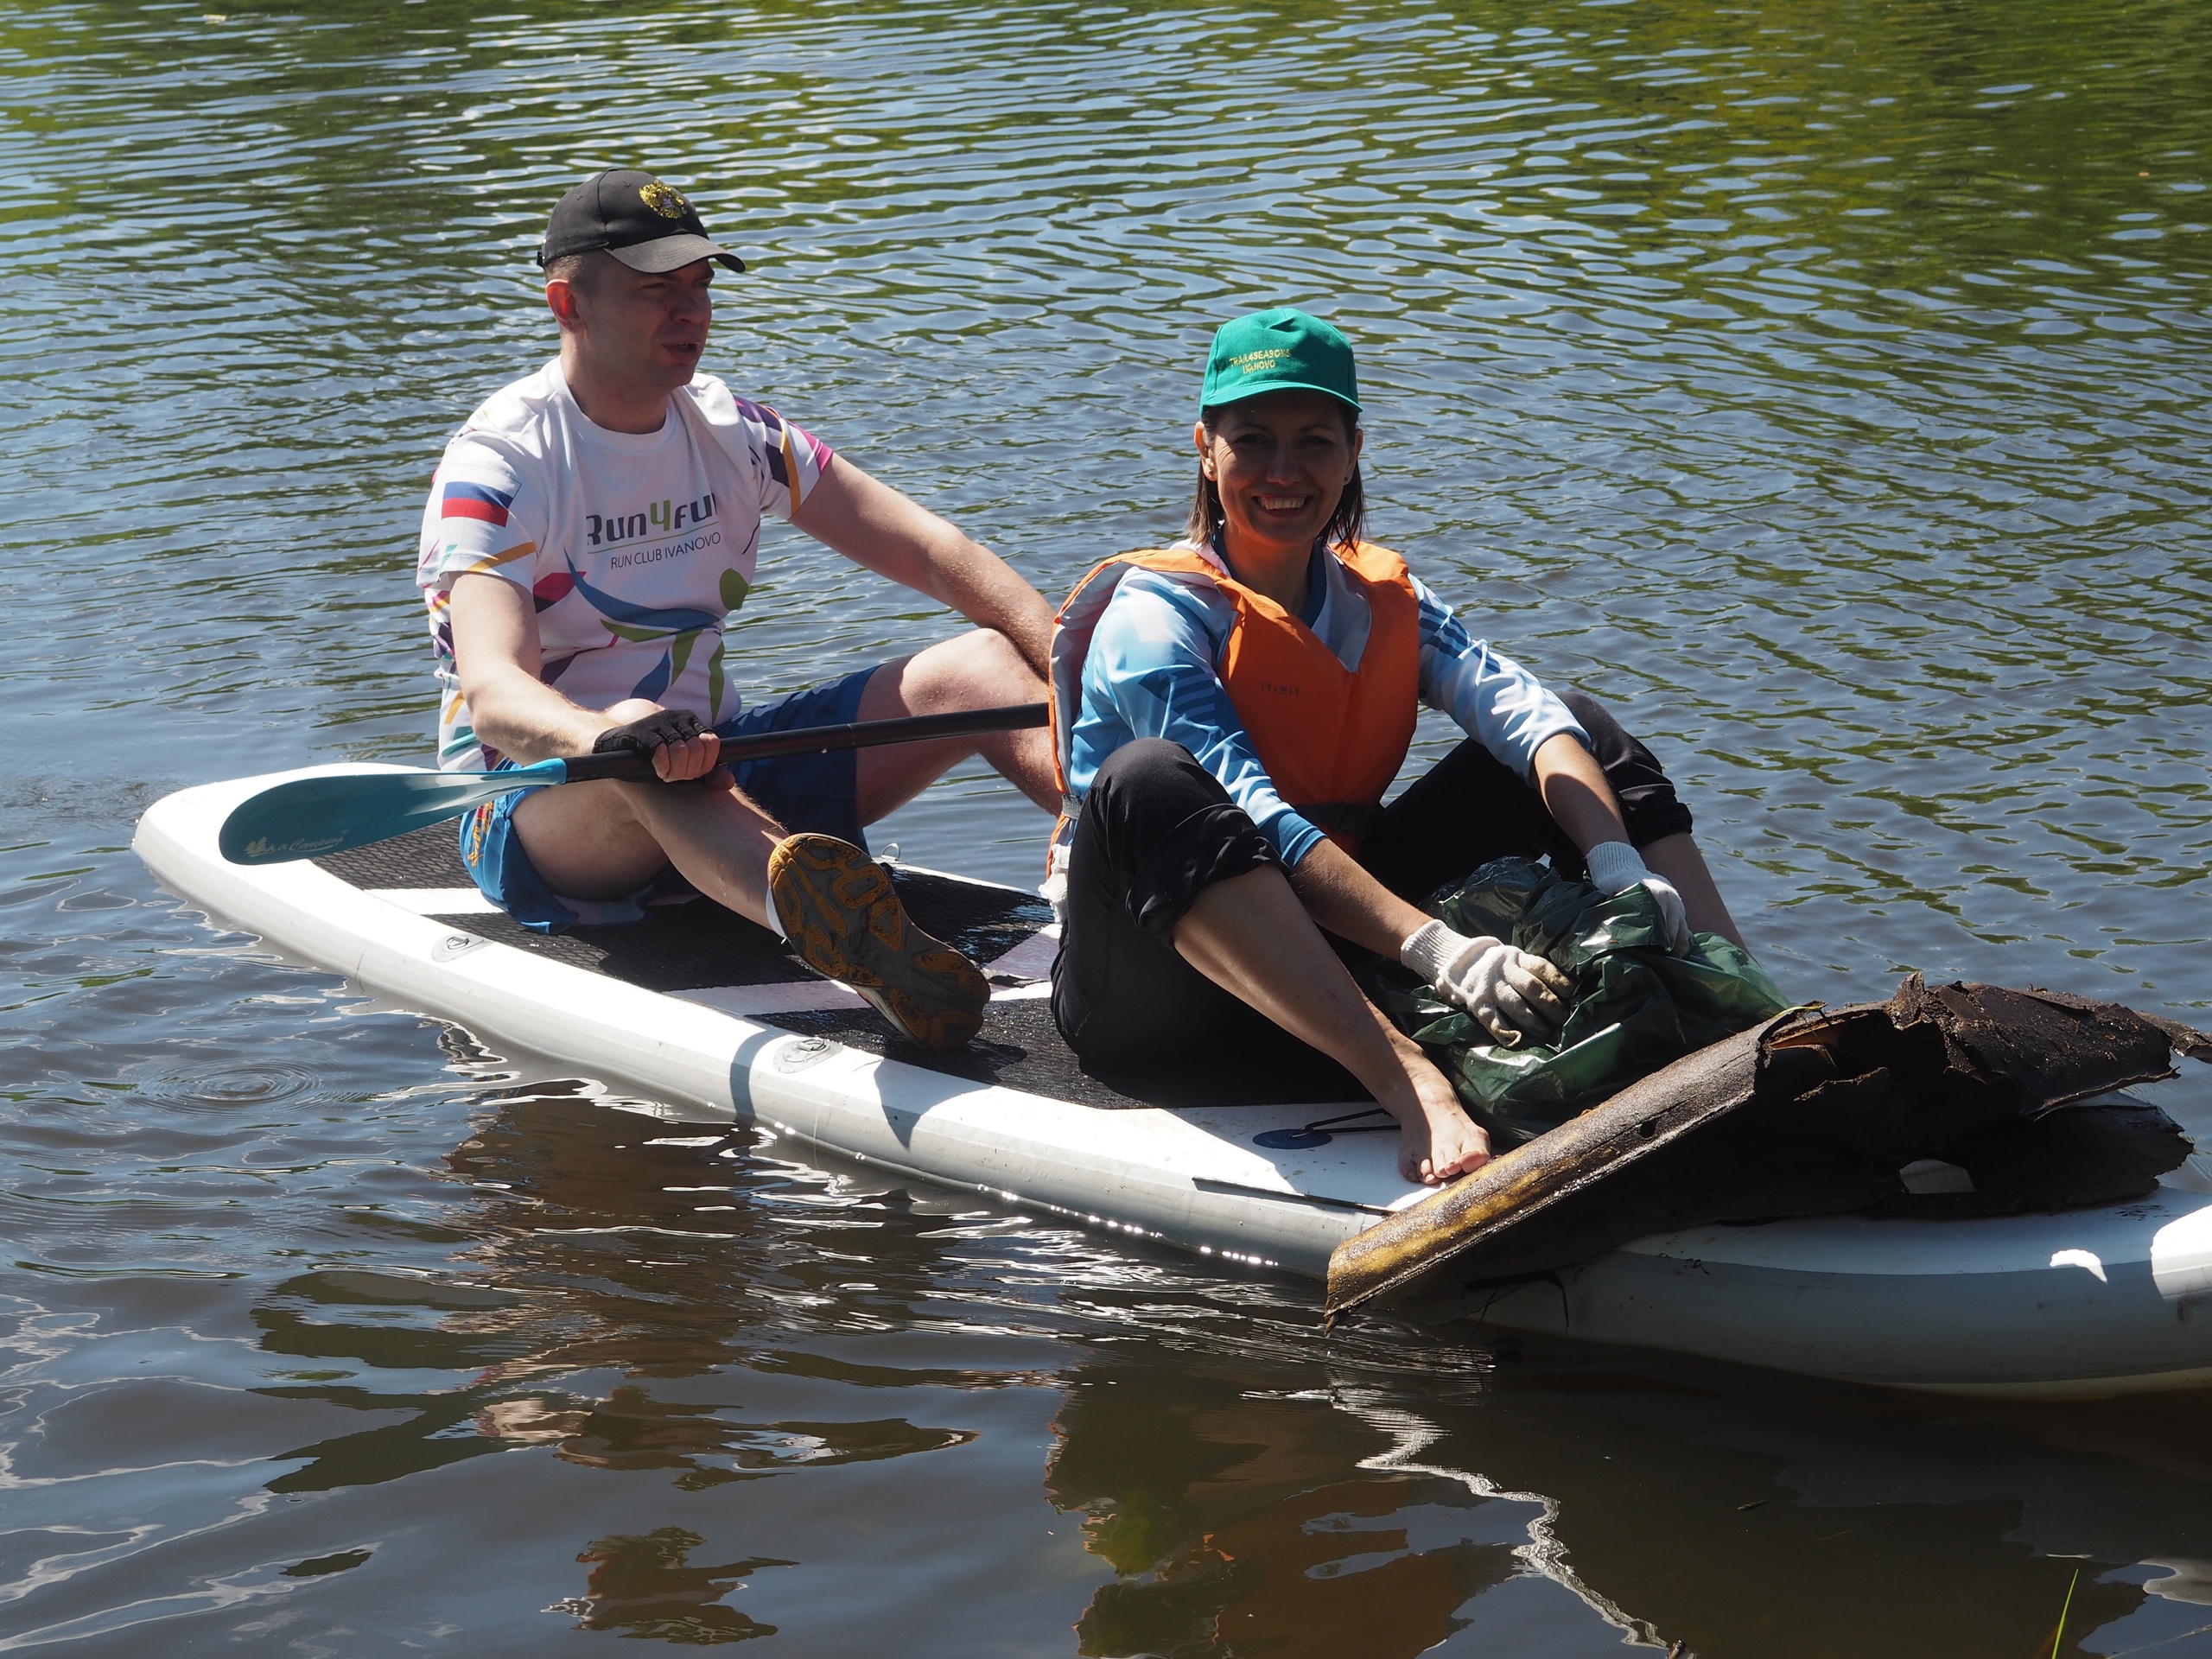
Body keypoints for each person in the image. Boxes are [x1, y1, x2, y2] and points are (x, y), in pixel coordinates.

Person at [1049, 308, 1745, 1185]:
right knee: (1146, 777)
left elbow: (1528, 716)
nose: (1282, 471)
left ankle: (1739, 1008)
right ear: (1204, 447)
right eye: (1252, 440)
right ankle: (1407, 1080)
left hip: (1337, 944)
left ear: (1353, 451)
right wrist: (1442, 952)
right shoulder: (1154, 619)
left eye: (1313, 442)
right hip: (1162, 992)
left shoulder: (1384, 601)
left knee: (1581, 731)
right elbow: (1256, 816)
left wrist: (1613, 863)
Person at [416, 169, 1058, 1051]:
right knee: (646, 731)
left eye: (700, 285)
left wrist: (1066, 656)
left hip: (717, 761)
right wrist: (613, 740)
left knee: (988, 667)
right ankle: (849, 943)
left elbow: (936, 553)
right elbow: (493, 691)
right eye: (656, 291)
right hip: (546, 809)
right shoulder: (499, 467)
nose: (691, 312)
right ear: (569, 305)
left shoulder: (737, 433)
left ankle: (1141, 871)